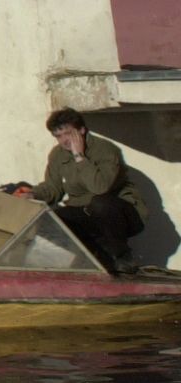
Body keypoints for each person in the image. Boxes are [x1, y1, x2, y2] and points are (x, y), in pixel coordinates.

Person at [19, 107, 146, 273]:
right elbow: (53, 188)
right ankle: (76, 264)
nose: (64, 140)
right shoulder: (58, 155)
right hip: (84, 211)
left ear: (82, 130)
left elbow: (100, 187)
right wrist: (33, 194)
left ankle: (122, 257)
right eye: (58, 136)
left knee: (101, 204)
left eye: (68, 134)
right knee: (51, 218)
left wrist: (80, 157)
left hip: (120, 214)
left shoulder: (105, 150)